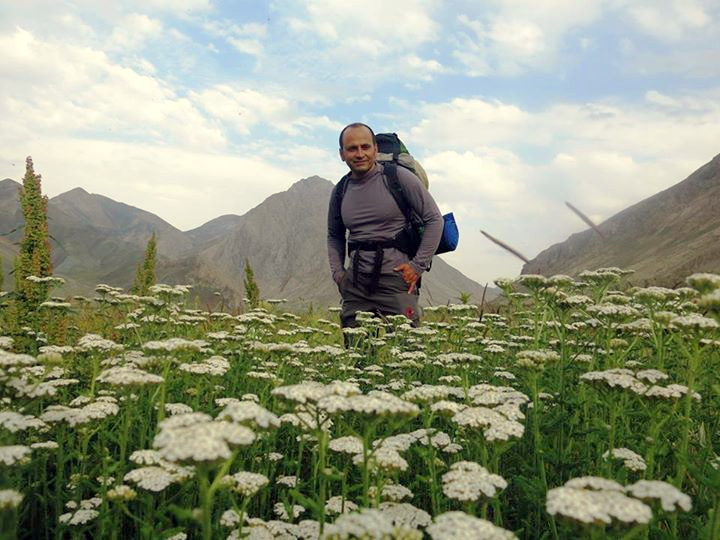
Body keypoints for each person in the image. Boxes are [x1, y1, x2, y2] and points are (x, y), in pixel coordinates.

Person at [327, 122, 443, 333]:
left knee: (406, 352)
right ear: (342, 154)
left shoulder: (399, 178)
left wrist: (417, 266)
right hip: (355, 284)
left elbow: (435, 220)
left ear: (376, 149)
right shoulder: (340, 190)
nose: (360, 154)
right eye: (352, 149)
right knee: (356, 356)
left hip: (396, 281)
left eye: (365, 147)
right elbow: (335, 235)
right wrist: (338, 274)